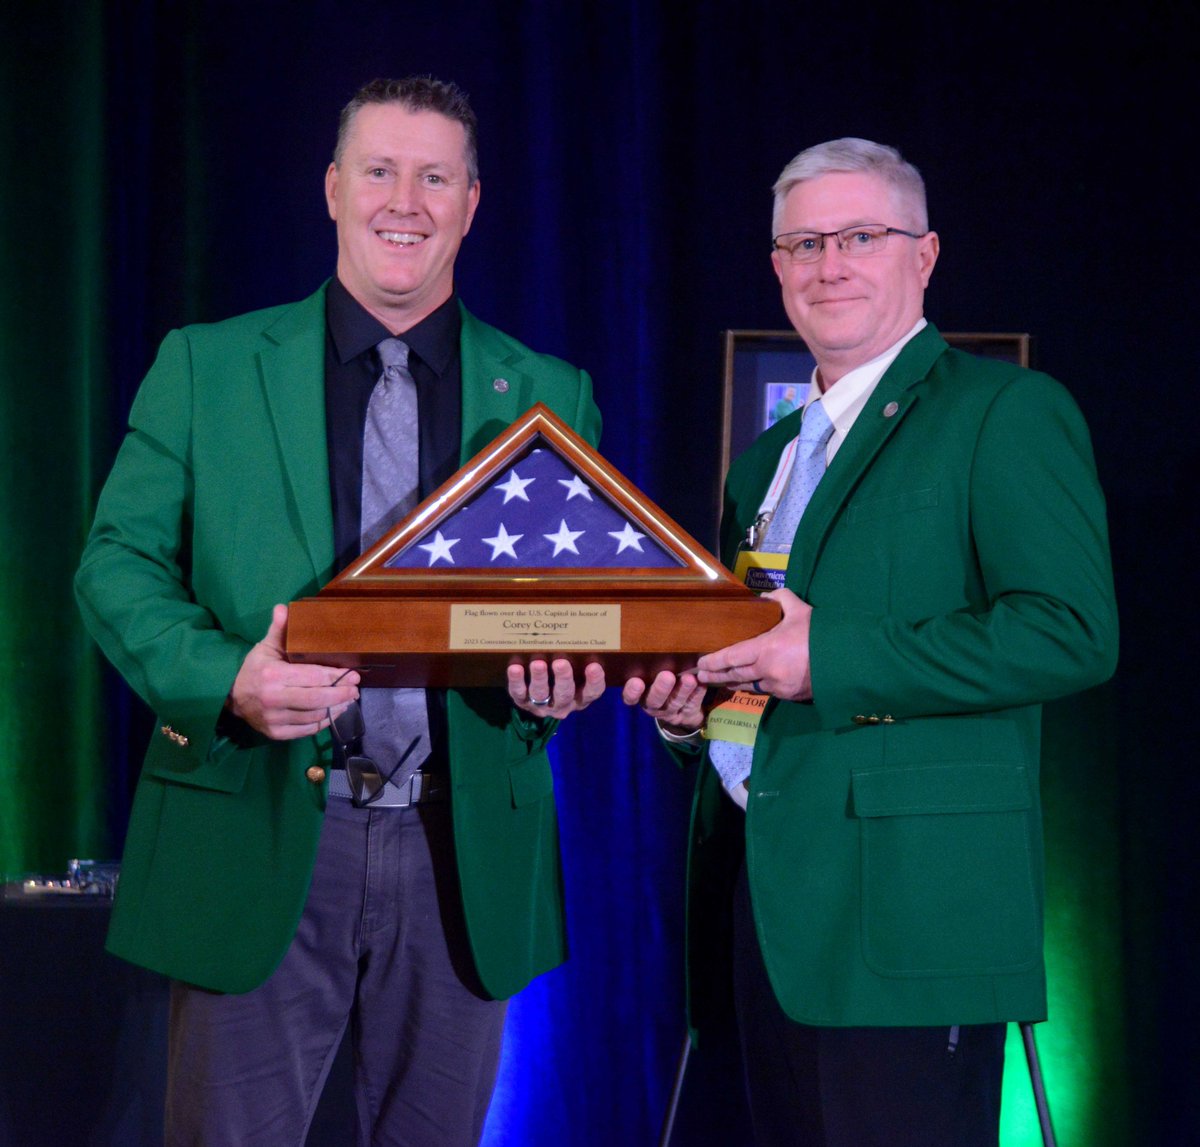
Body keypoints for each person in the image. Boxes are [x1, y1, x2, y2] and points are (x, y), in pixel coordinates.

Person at [75, 76, 605, 1146]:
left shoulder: (553, 390)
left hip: (460, 859)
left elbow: (570, 612)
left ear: (471, 202)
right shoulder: (207, 366)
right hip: (254, 829)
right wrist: (230, 675)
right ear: (331, 188)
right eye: (379, 170)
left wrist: (562, 685)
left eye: (434, 176)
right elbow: (114, 565)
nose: (404, 199)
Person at [623, 137, 1118, 1146]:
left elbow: (1070, 633)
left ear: (923, 256)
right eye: (802, 243)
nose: (827, 264)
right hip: (766, 921)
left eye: (859, 236)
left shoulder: (1005, 413)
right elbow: (760, 662)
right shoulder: (765, 460)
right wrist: (696, 712)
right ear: (775, 267)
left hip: (908, 926)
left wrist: (831, 656)